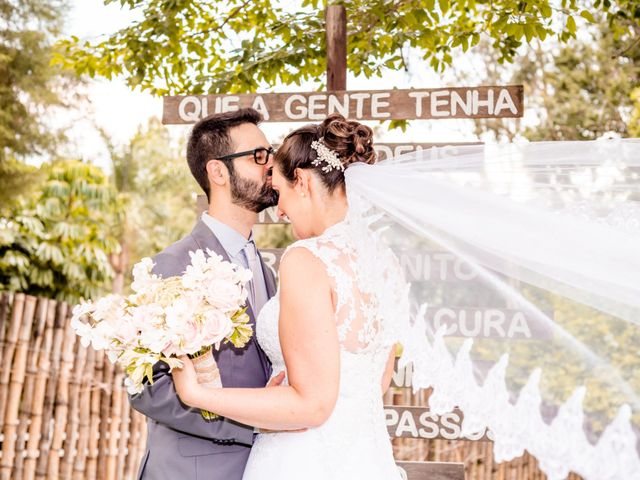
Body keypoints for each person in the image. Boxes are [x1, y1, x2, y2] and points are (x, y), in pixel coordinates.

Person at [172, 114, 406, 480]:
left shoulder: (306, 258)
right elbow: (376, 381)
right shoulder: (385, 262)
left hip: (301, 459)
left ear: (303, 181)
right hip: (367, 459)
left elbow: (311, 406)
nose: (278, 210)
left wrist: (196, 394)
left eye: (279, 192)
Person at [129, 108, 283, 480]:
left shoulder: (270, 274)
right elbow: (148, 389)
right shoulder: (169, 267)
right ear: (218, 172)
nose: (271, 165)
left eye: (271, 153)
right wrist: (253, 425)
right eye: (258, 155)